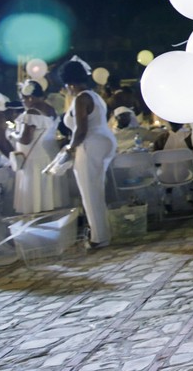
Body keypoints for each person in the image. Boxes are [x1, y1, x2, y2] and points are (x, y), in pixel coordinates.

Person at [61, 56, 117, 249]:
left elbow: (81, 128)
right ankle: (102, 232)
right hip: (104, 140)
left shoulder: (80, 98)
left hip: (90, 144)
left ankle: (99, 237)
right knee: (96, 188)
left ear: (69, 83)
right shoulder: (95, 95)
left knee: (90, 192)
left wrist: (70, 148)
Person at [12, 80, 67, 214]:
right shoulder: (50, 109)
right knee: (47, 194)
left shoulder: (32, 112)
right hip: (48, 156)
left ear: (29, 97)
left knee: (35, 194)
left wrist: (13, 135)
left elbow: (26, 139)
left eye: (23, 99)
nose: (23, 102)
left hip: (34, 159)